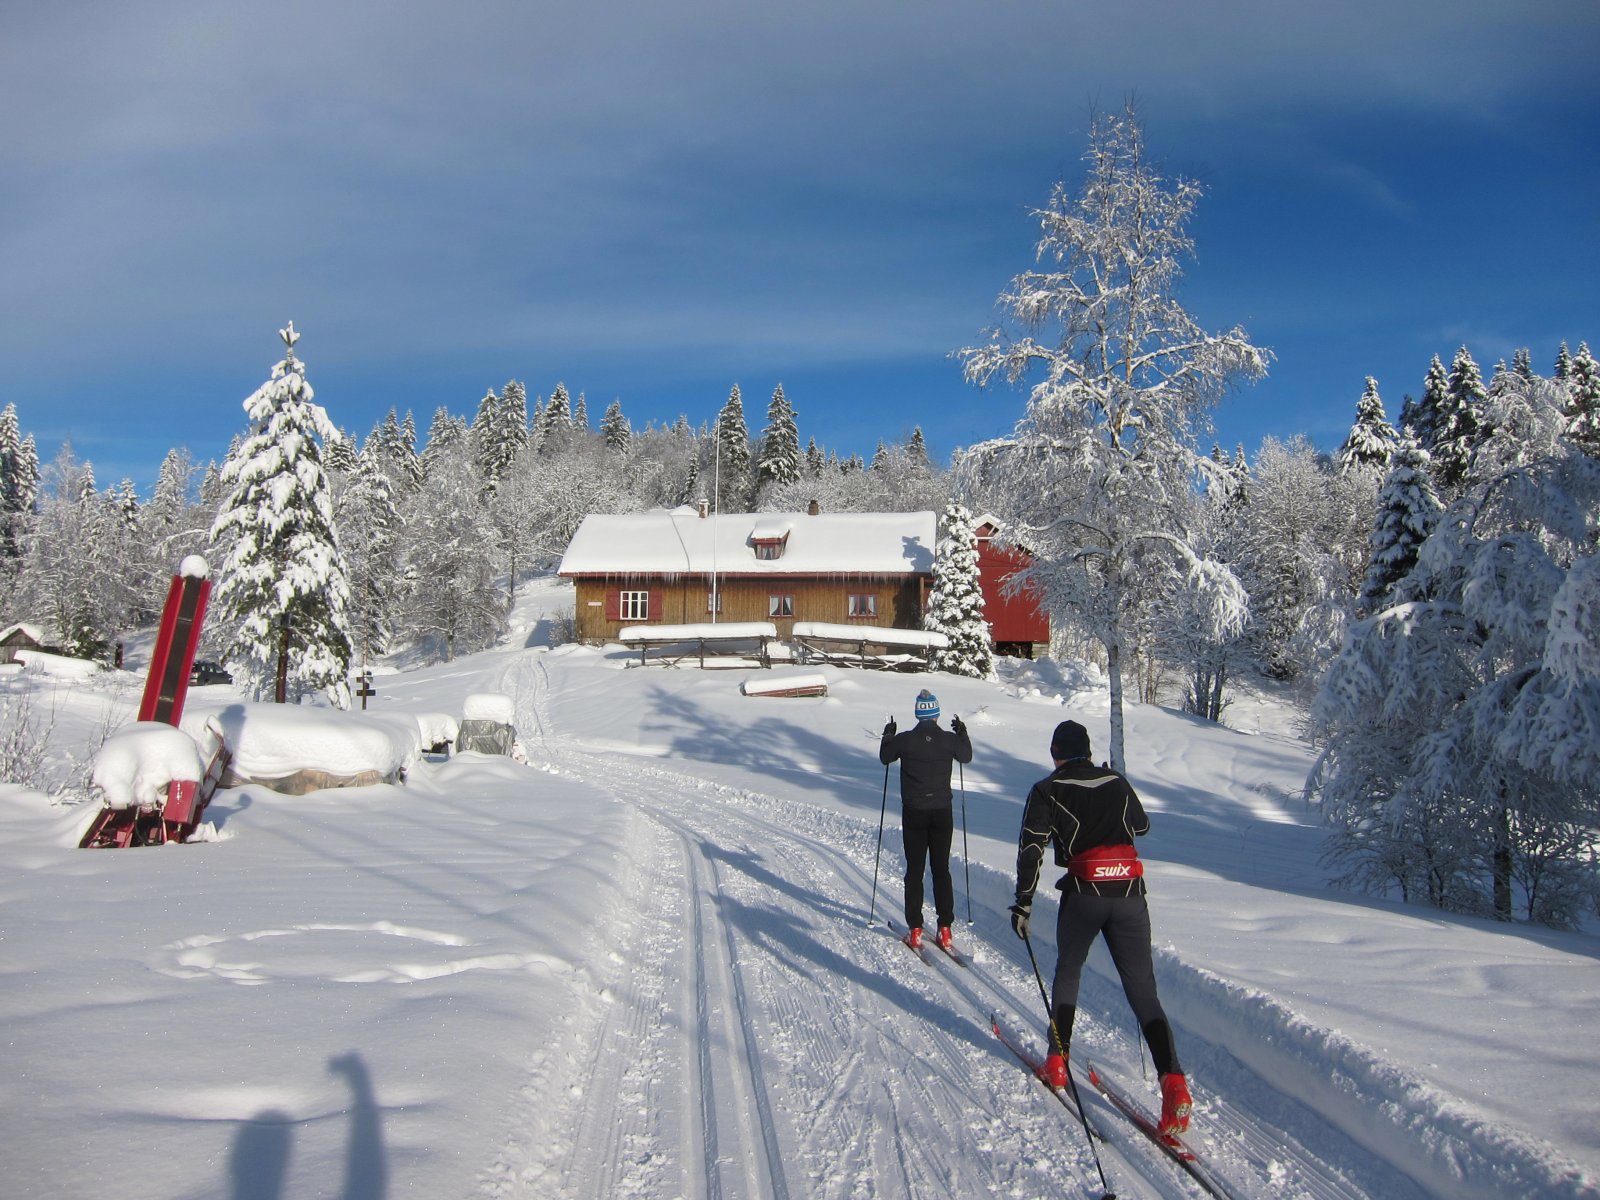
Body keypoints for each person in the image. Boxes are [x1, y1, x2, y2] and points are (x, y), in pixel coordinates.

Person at [1008, 719, 1192, 1139]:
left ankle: (1057, 1062)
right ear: (1089, 752)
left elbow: (1032, 847)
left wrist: (1024, 902)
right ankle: (1174, 1082)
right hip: (1129, 892)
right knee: (1142, 988)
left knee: (1069, 971)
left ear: (1056, 753)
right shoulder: (1116, 780)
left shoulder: (1046, 788)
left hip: (1084, 892)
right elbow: (1141, 826)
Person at [880, 689, 973, 951]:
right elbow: (966, 755)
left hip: (915, 812)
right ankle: (945, 929)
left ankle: (916, 929)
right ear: (936, 713)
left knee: (915, 871)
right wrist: (962, 732)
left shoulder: (906, 740)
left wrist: (888, 735)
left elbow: (885, 757)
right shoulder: (948, 740)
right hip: (942, 812)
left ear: (919, 713)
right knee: (941, 869)